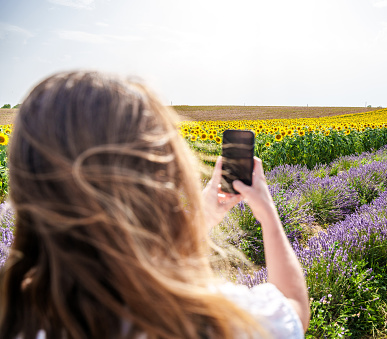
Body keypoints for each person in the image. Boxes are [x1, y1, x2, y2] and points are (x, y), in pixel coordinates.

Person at [0, 71, 310, 339]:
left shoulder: (15, 316)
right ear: (160, 179)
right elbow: (294, 309)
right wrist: (268, 215)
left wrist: (199, 220)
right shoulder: (211, 319)